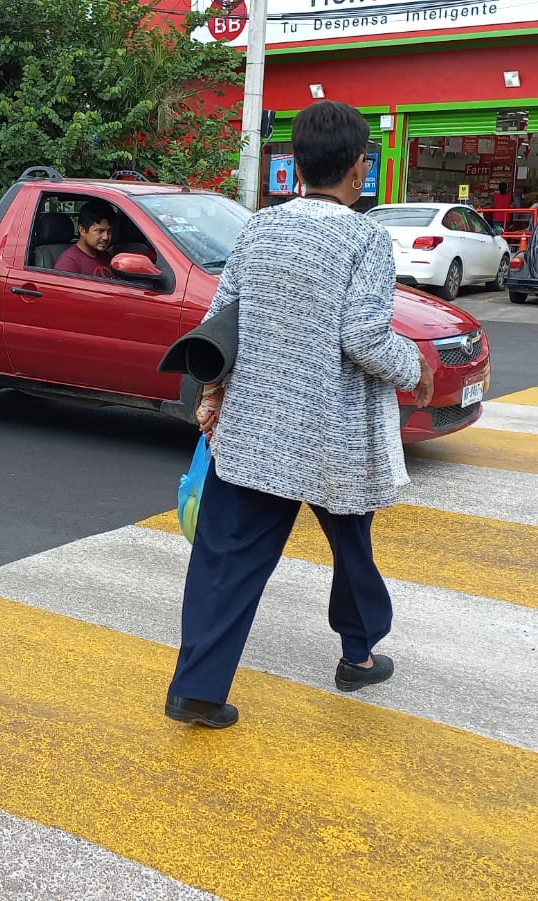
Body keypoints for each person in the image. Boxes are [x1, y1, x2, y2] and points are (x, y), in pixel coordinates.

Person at [165, 100, 434, 730]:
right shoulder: (363, 235)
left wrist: (214, 398)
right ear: (359, 167)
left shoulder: (259, 227)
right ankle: (359, 656)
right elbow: (364, 338)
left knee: (223, 558)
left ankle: (197, 691)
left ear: (295, 165)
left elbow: (221, 321)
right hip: (331, 436)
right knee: (351, 548)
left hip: (255, 433)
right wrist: (413, 368)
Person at [54, 200, 115, 278]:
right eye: (100, 231)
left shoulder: (106, 257)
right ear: (82, 230)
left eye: (109, 231)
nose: (106, 237)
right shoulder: (68, 264)